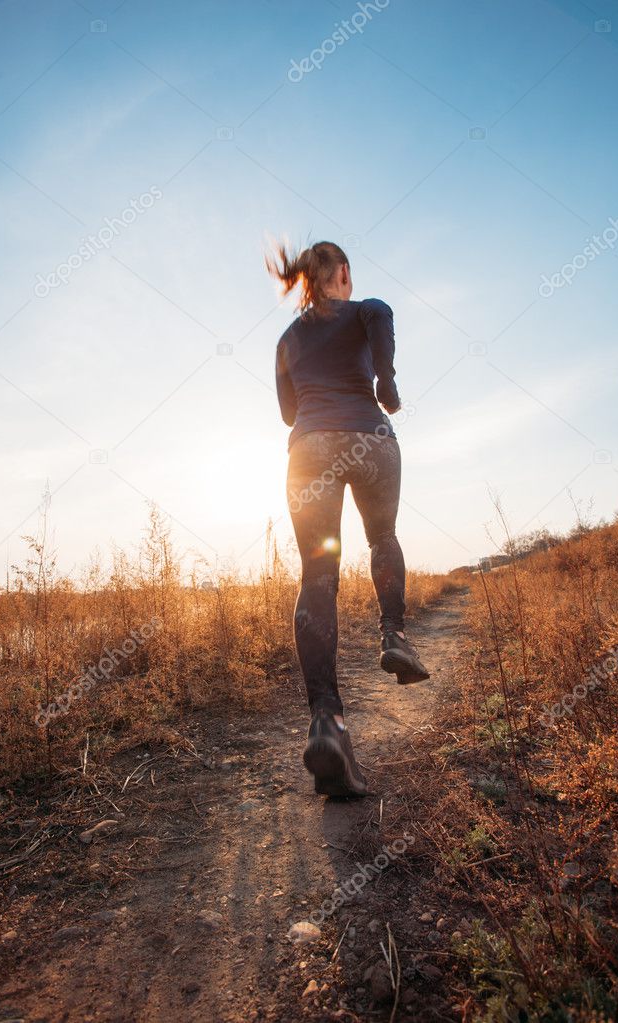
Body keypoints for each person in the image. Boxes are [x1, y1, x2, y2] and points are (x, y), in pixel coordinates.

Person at [266, 240, 430, 798]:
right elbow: (381, 313)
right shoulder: (365, 310)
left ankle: (326, 723)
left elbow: (288, 411)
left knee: (317, 575)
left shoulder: (288, 338)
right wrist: (384, 380)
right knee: (381, 537)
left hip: (308, 447)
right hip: (370, 436)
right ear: (342, 273)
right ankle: (395, 636)